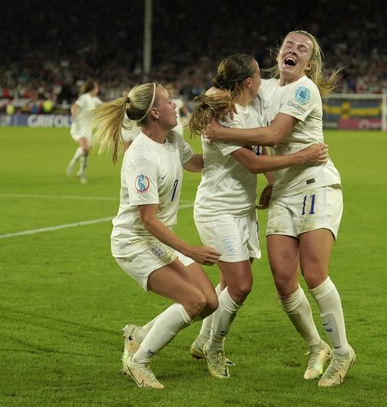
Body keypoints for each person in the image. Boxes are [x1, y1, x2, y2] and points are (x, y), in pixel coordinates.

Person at [204, 30, 356, 387]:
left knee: (314, 273)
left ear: (310, 62)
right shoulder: (266, 88)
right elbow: (231, 96)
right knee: (284, 281)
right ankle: (315, 347)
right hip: (285, 189)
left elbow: (272, 136)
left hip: (316, 183)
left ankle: (342, 352)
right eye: (289, 45)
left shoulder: (305, 90)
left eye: (302, 49)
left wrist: (221, 134)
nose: (294, 50)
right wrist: (211, 96)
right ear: (278, 53)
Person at [186, 53, 329, 379]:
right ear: (249, 82)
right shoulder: (221, 112)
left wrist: (270, 183)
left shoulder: (248, 108)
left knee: (227, 283)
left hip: (242, 209)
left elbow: (259, 152)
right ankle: (215, 347)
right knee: (241, 284)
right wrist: (302, 156)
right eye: (257, 75)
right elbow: (252, 162)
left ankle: (201, 339)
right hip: (217, 209)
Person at [91, 82, 222, 389]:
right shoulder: (140, 157)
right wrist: (191, 250)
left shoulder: (173, 139)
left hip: (159, 239)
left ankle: (138, 335)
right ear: (154, 112)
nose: (175, 105)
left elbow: (196, 164)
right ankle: (138, 362)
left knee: (210, 302)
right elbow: (148, 220)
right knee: (192, 301)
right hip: (133, 243)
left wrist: (235, 149)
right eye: (168, 101)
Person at [66, 80, 102, 184]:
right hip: (78, 127)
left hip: (88, 129)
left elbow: (104, 105)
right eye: (97, 87)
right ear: (93, 89)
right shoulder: (84, 98)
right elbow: (74, 106)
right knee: (85, 148)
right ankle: (73, 162)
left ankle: (81, 172)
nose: (98, 89)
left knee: (86, 152)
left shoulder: (95, 100)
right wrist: (74, 114)